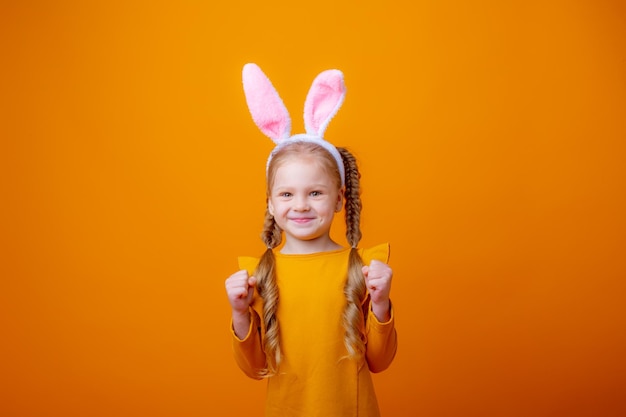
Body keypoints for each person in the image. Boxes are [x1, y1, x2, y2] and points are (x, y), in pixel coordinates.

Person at [224, 63, 397, 417]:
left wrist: (381, 305)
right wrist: (240, 313)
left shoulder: (362, 269)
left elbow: (380, 361)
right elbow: (255, 368)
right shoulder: (260, 275)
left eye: (315, 192)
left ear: (338, 199)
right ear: (271, 203)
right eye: (286, 195)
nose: (301, 205)